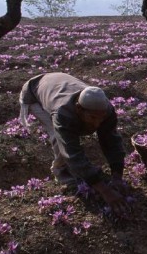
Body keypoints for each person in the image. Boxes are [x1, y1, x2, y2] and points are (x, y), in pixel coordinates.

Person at [19, 72, 130, 216]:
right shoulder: (63, 112)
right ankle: (62, 173)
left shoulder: (106, 110)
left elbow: (111, 141)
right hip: (34, 92)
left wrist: (117, 176)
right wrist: (104, 190)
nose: (97, 123)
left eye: (100, 118)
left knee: (98, 131)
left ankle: (82, 173)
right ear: (79, 109)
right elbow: (71, 151)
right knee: (58, 138)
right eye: (92, 117)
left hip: (59, 84)